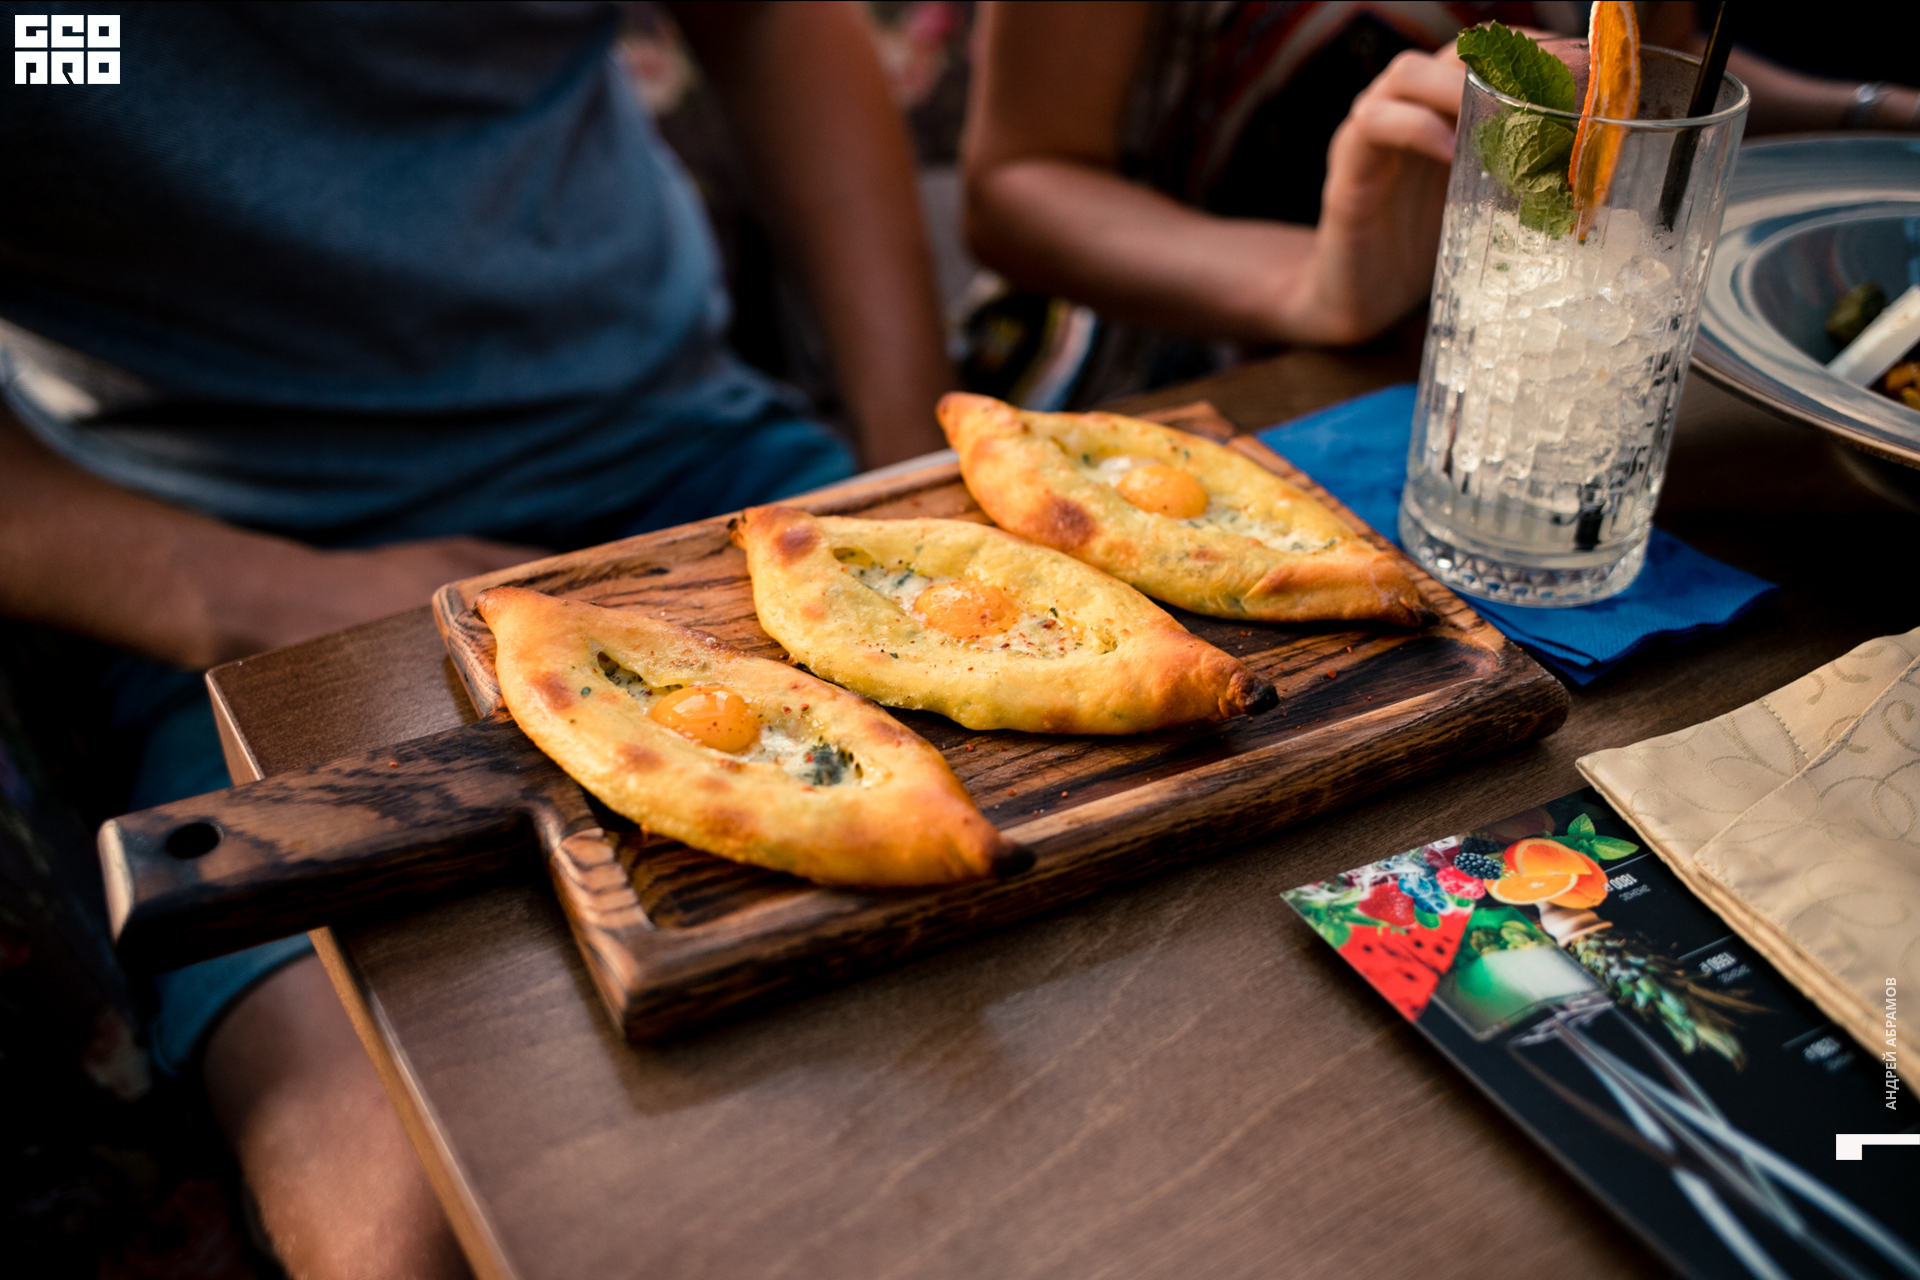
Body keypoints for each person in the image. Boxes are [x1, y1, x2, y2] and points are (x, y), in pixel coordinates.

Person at [0, 3, 951, 1277]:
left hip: (691, 459)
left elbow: (771, 23)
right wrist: (264, 592)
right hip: (229, 565)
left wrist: (905, 472)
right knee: (413, 1226)